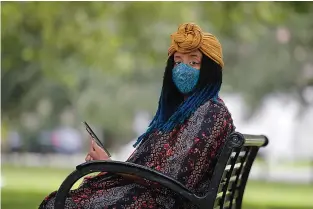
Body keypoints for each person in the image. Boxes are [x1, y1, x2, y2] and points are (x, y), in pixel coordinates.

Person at [39, 22, 235, 209]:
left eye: (194, 62)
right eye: (177, 61)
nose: (183, 69)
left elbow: (173, 179)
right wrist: (110, 164)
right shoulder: (195, 110)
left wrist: (110, 166)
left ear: (211, 69)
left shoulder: (210, 112)